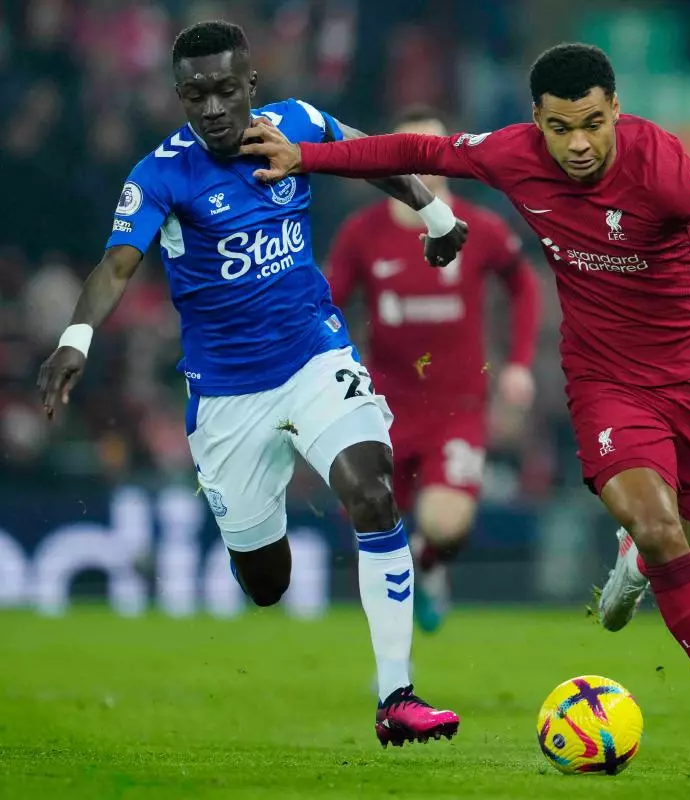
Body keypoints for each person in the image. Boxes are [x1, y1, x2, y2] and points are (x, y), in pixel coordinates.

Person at [240, 42, 690, 775]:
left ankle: (639, 553)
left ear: (616, 112)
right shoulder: (512, 155)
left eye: (594, 124)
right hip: (606, 379)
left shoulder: (663, 167)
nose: (578, 144)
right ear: (535, 120)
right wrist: (306, 157)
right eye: (561, 127)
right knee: (662, 527)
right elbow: (418, 148)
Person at [36, 20, 468, 749]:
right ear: (178, 96)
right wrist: (74, 339)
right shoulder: (160, 175)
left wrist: (433, 209)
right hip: (229, 396)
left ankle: (396, 692)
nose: (212, 108)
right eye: (196, 95)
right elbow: (115, 266)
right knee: (266, 583)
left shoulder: (295, 125)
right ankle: (250, 540)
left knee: (370, 486)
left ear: (251, 86)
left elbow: (367, 156)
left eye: (226, 91)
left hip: (312, 356)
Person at [326, 105, 541, 633]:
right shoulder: (362, 234)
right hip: (384, 408)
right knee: (375, 532)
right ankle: (394, 656)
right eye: (409, 151)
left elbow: (524, 285)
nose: (423, 163)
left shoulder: (481, 227)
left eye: (433, 151)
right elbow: (327, 304)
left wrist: (517, 363)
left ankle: (430, 564)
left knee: (446, 524)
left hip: (457, 406)